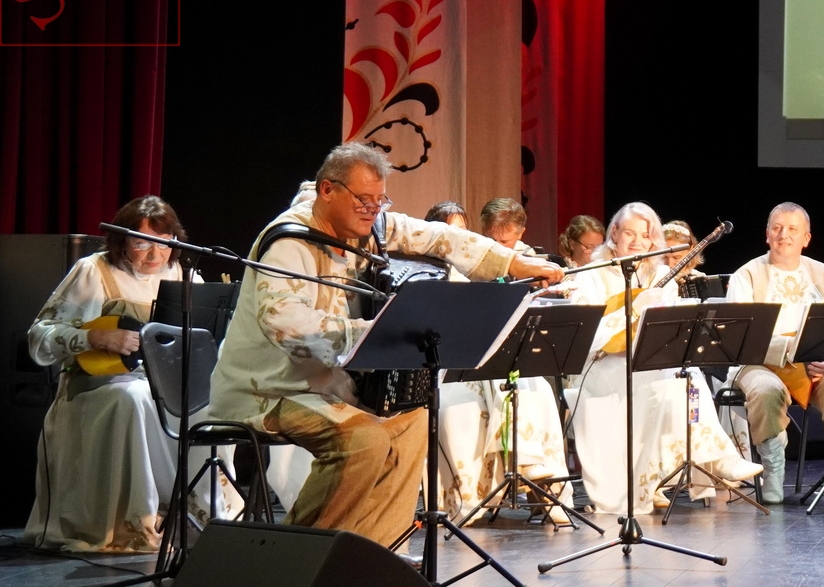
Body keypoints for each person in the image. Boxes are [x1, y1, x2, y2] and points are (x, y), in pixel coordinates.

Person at [209, 143, 562, 544]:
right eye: (363, 199)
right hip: (268, 389)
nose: (373, 210)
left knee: (410, 421)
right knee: (364, 440)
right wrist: (375, 333)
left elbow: (439, 237)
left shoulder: (371, 225)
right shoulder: (289, 242)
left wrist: (513, 263)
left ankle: (377, 549)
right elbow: (285, 322)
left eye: (380, 200)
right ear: (328, 190)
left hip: (325, 387)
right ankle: (296, 554)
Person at [24, 196, 240, 552]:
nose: (154, 254)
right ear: (122, 241)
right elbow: (40, 335)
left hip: (166, 384)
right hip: (101, 384)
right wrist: (94, 337)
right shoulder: (94, 271)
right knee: (135, 397)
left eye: (164, 243)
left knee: (211, 405)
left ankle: (199, 515)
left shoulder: (184, 275)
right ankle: (136, 522)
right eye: (141, 243)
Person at [567, 202, 757, 515]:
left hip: (647, 360)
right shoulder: (592, 275)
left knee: (687, 375)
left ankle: (714, 458)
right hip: (603, 365)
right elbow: (588, 337)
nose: (637, 242)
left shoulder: (657, 274)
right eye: (630, 233)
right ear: (614, 233)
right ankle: (658, 478)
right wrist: (634, 310)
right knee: (665, 382)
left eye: (645, 235)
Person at [725, 202, 824, 507]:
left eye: (792, 229)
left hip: (814, 366)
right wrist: (793, 352)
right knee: (766, 389)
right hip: (759, 364)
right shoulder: (747, 275)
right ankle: (773, 473)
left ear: (806, 238)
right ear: (767, 235)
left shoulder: (823, 274)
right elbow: (742, 338)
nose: (783, 235)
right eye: (777, 228)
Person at [431, 198, 572, 524]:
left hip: (497, 352)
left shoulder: (524, 261)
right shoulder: (442, 266)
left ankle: (538, 479)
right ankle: (517, 465)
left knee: (531, 381)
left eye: (463, 232)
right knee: (500, 375)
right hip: (458, 356)